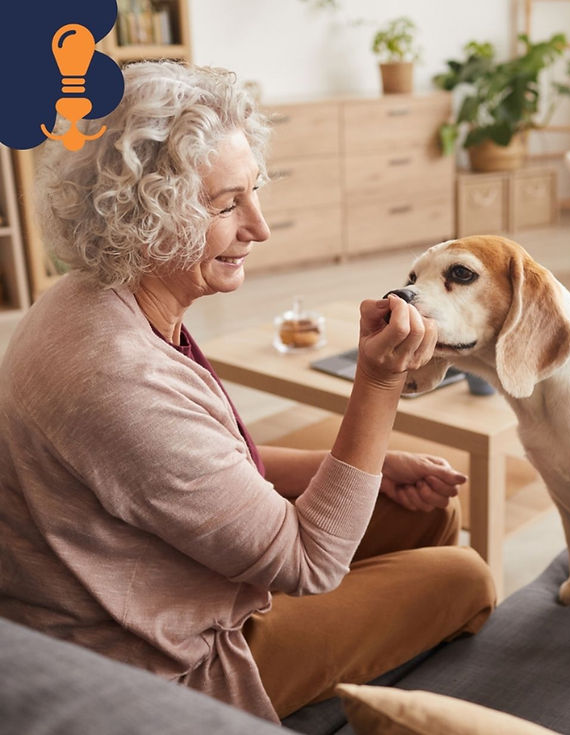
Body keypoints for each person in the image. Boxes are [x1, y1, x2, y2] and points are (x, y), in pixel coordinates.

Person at [0, 61, 495, 723]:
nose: (260, 227)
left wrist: (356, 469)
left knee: (427, 513)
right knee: (468, 577)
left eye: (254, 192)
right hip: (159, 653)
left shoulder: (82, 296)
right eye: (226, 203)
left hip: (164, 581)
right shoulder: (117, 378)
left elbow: (200, 467)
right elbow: (309, 561)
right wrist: (379, 382)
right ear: (147, 212)